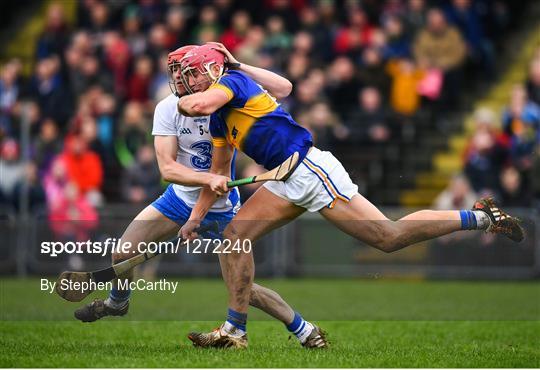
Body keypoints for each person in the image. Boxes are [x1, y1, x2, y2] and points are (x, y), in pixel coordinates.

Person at [177, 42, 524, 349]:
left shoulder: (231, 84)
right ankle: (236, 331)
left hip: (309, 171)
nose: (186, 83)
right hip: (282, 180)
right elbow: (219, 173)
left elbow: (200, 104)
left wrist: (222, 73)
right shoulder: (219, 120)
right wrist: (194, 219)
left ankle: (480, 216)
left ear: (213, 69)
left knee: (388, 237)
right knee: (234, 238)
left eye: (191, 74)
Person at [74, 44, 328, 349]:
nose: (183, 79)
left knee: (243, 286)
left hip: (223, 208)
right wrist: (206, 180)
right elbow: (168, 169)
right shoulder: (167, 108)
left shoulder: (227, 98)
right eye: (179, 73)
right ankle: (117, 302)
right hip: (178, 199)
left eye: (189, 72)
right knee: (122, 253)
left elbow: (284, 87)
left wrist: (237, 65)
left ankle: (305, 330)